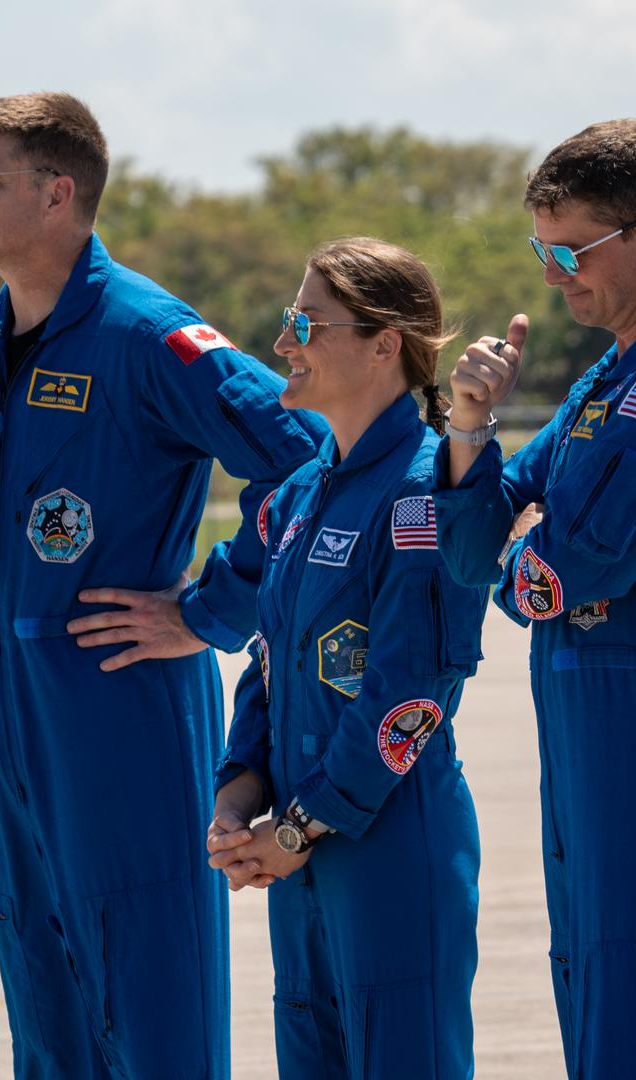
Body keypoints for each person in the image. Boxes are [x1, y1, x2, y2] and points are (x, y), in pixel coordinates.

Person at [0, 92, 324, 1078]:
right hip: (7, 700)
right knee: (43, 985)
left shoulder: (149, 335)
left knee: (150, 993)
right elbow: (7, 527)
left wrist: (210, 610)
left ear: (58, 192)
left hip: (118, 698)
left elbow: (308, 463)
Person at [434, 120, 636, 1078]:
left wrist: (520, 553)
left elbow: (566, 572)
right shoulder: (610, 379)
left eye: (570, 251)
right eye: (541, 250)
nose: (551, 276)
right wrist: (469, 422)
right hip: (587, 719)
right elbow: (476, 540)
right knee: (596, 1007)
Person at [202, 237, 488, 1079]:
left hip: (389, 845)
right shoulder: (297, 491)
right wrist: (237, 791)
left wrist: (299, 826)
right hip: (300, 858)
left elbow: (414, 688)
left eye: (306, 322)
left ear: (382, 344)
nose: (284, 342)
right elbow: (270, 657)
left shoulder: (427, 486)